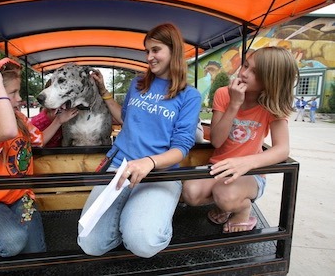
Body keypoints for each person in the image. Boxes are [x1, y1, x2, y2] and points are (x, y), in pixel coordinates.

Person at [77, 23, 202, 258]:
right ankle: (130, 225)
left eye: (156, 50)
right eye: (147, 51)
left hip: (159, 173)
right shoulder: (138, 84)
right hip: (119, 167)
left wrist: (149, 162)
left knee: (144, 242)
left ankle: (146, 223)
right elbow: (125, 119)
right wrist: (104, 91)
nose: (149, 57)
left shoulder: (189, 95)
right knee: (89, 242)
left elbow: (181, 147)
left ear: (174, 50)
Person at [0, 60, 78, 257]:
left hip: (20, 196)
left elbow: (38, 140)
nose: (20, 98)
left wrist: (58, 120)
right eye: (13, 93)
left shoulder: (19, 120)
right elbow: (7, 131)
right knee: (14, 242)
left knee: (35, 252)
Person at [181, 46, 298, 233]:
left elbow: (282, 149)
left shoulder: (271, 105)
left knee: (225, 194)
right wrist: (234, 104)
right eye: (245, 66)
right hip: (219, 167)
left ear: (271, 81)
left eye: (255, 73)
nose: (244, 74)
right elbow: (217, 141)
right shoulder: (223, 94)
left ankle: (243, 210)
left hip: (251, 174)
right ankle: (226, 206)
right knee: (190, 193)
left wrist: (245, 163)